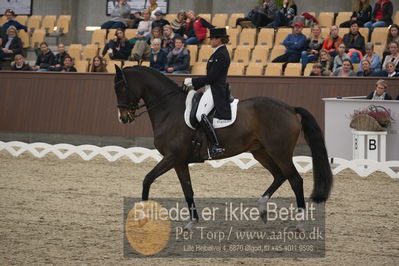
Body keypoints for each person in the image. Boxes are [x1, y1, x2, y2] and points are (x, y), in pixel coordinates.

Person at [182, 28, 231, 158]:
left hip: (215, 89)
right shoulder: (217, 53)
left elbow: (212, 77)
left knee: (200, 114)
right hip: (210, 87)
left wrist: (193, 81)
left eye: (213, 38)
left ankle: (216, 145)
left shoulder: (221, 54)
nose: (210, 41)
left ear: (219, 39)